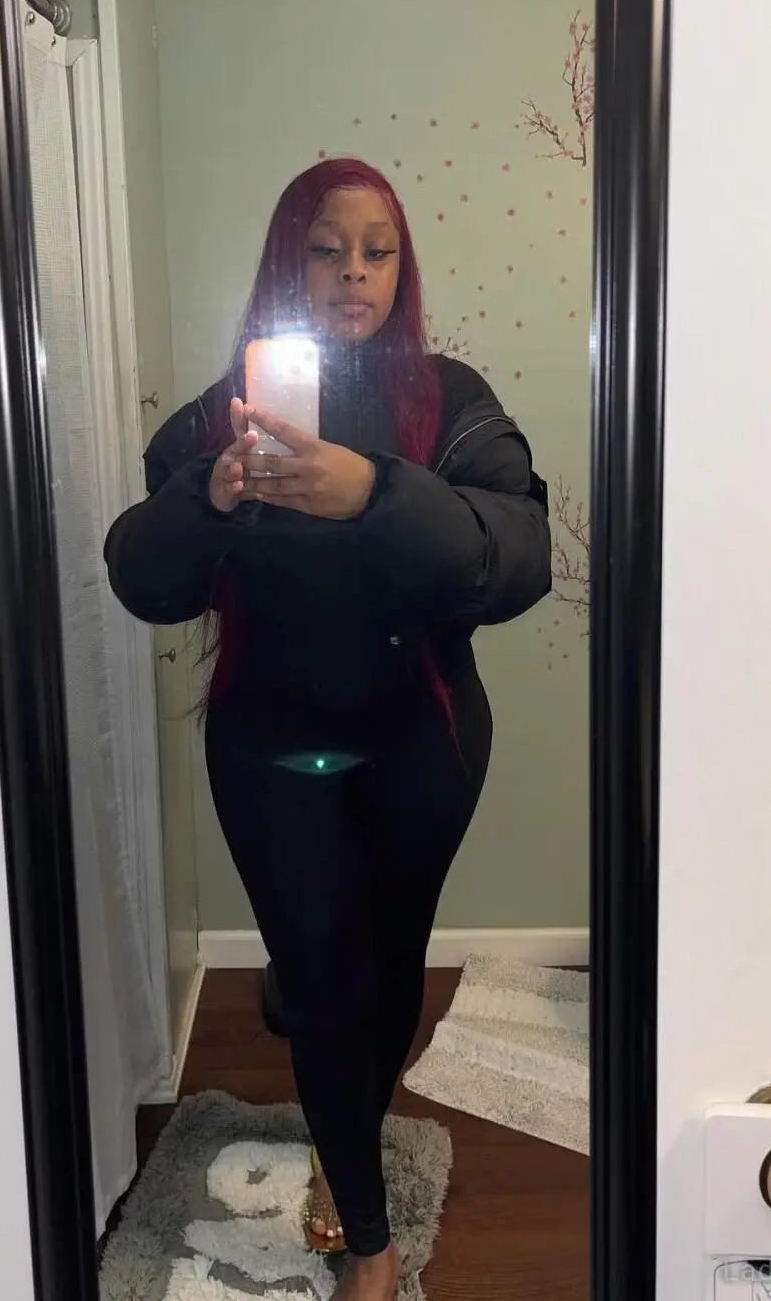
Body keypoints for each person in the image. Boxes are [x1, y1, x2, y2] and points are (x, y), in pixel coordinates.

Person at [104, 157, 551, 1301]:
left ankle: (347, 1121)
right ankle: (368, 1231)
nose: (354, 271)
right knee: (321, 979)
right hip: (270, 747)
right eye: (326, 248)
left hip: (423, 741)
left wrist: (376, 492)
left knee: (389, 972)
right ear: (286, 264)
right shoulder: (227, 410)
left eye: (377, 250)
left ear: (401, 270)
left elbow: (518, 555)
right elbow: (144, 578)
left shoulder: (450, 400)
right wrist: (211, 492)